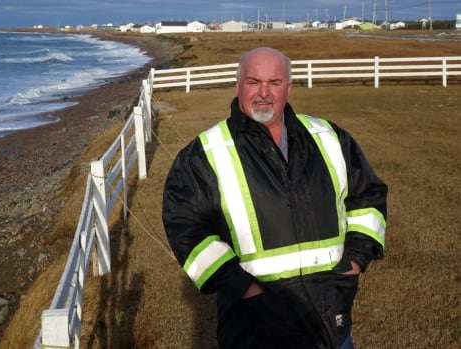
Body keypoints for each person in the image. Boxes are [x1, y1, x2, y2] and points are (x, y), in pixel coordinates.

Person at [162, 47, 387, 349]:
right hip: (254, 328)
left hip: (330, 324)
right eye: (254, 82)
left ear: (289, 88)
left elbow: (367, 196)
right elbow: (186, 227)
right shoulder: (204, 154)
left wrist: (356, 259)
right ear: (238, 85)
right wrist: (243, 288)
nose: (263, 93)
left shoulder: (329, 137)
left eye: (275, 83)